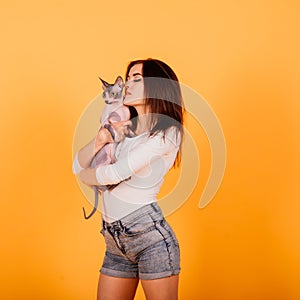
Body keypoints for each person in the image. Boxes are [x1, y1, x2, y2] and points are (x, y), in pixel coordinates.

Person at [72, 58, 185, 300]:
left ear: (157, 85)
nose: (128, 84)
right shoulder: (125, 127)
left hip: (149, 238)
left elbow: (115, 173)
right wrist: (100, 140)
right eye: (129, 78)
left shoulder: (167, 132)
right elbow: (77, 164)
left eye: (137, 79)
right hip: (115, 242)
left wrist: (86, 176)